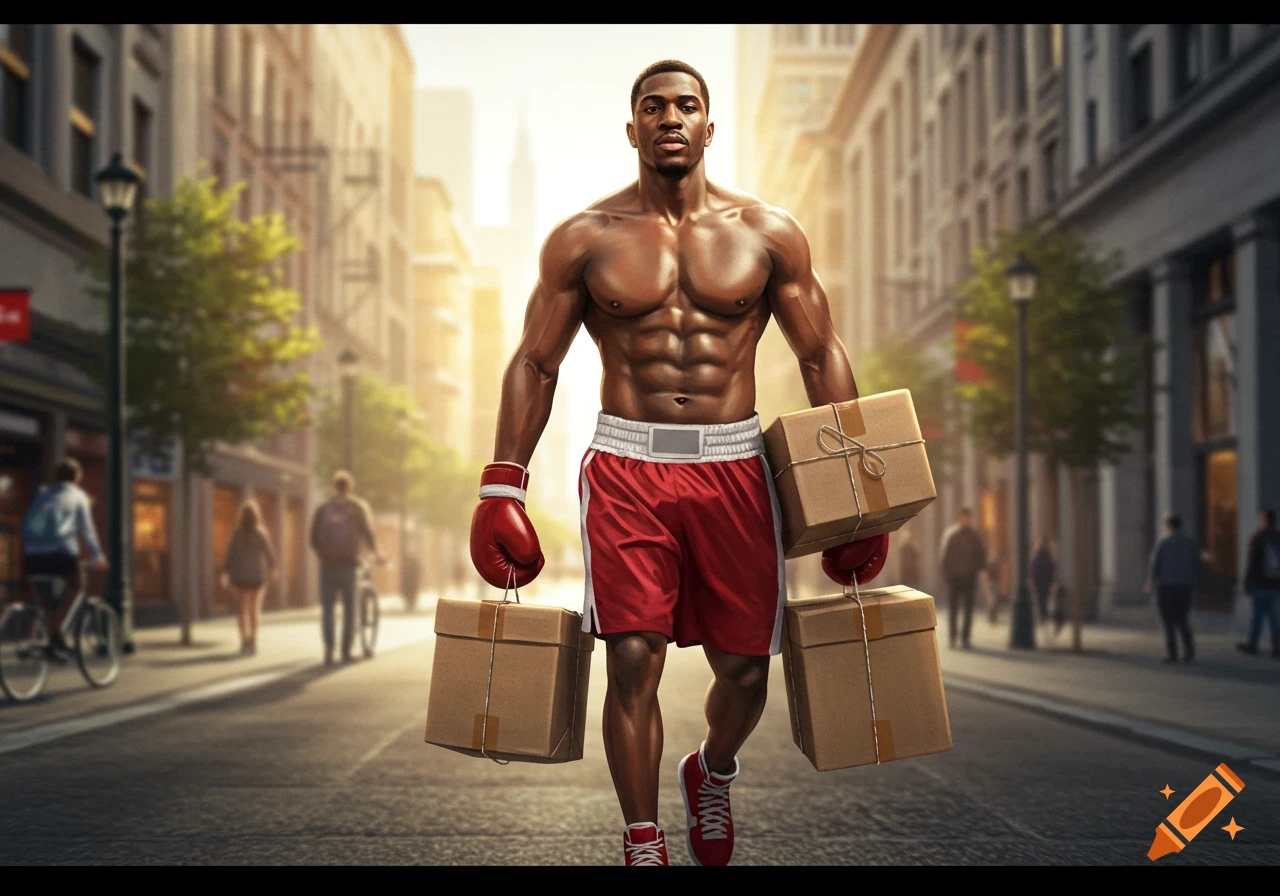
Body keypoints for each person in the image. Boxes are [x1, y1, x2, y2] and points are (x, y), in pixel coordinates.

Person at [468, 60, 890, 867]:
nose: (670, 117)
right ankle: (642, 837)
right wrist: (502, 485)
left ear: (708, 126)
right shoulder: (584, 239)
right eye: (653, 106)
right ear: (632, 128)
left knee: (746, 672)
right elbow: (535, 363)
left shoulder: (768, 233)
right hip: (627, 465)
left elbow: (819, 352)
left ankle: (713, 771)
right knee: (632, 655)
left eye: (686, 105)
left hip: (735, 467)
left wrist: (858, 499)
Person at [19, 458, 108, 656]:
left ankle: (55, 642)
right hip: (59, 552)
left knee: (45, 595)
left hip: (31, 553)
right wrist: (97, 555)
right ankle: (55, 631)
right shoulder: (78, 495)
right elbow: (87, 529)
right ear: (77, 477)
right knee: (77, 584)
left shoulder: (43, 494)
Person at [310, 471, 385, 665]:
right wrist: (377, 553)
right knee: (350, 608)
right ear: (349, 487)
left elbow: (313, 538)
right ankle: (345, 651)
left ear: (335, 487)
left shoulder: (324, 507)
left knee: (328, 609)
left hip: (328, 566)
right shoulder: (358, 507)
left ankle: (328, 650)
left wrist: (324, 556)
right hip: (350, 565)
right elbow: (368, 534)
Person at [219, 499, 276, 655]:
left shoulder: (237, 533)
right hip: (258, 577)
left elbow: (229, 554)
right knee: (254, 611)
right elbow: (269, 553)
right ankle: (254, 641)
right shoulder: (261, 532)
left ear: (242, 516)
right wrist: (273, 569)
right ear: (256, 515)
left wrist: (225, 572)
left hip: (241, 577)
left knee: (242, 610)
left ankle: (244, 641)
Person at [1144, 513, 1201, 664]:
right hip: (1185, 586)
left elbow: (1155, 565)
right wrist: (1195, 584)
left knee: (1168, 621)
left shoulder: (1163, 542)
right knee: (1182, 619)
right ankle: (1189, 651)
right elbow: (1197, 564)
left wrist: (1150, 583)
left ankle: (1172, 653)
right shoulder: (1190, 542)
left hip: (1166, 586)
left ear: (1168, 526)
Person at [938, 508, 987, 649]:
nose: (965, 520)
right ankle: (953, 637)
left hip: (970, 576)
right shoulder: (952, 536)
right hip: (954, 577)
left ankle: (965, 638)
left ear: (969, 519)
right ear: (960, 519)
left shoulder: (974, 536)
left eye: (967, 518)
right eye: (963, 517)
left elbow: (980, 556)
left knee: (968, 608)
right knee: (953, 608)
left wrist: (982, 572)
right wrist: (943, 574)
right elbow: (946, 556)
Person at [1238, 508, 1280, 659]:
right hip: (1276, 585)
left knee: (1257, 617)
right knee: (1276, 618)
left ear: (1263, 520)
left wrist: (1247, 583)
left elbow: (1252, 563)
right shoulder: (1278, 537)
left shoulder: (1257, 537)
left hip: (1260, 584)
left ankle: (1253, 645)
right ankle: (1277, 646)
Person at [1031, 535, 1057, 629]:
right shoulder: (1039, 554)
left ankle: (1043, 617)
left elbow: (1052, 568)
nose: (1039, 544)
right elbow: (1034, 568)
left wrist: (1053, 581)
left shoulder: (1047, 555)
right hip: (1040, 581)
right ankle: (1043, 617)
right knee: (1041, 600)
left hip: (1045, 581)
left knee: (1043, 600)